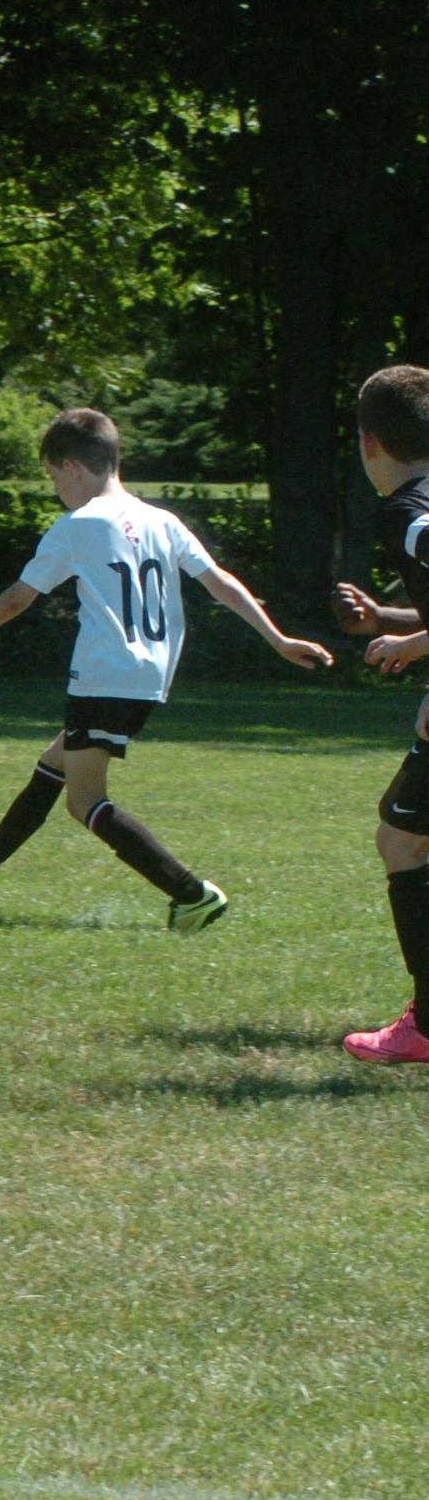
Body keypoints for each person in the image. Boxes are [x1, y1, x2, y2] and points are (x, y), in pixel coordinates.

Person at [0, 408, 331, 929]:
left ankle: (191, 894)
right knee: (55, 763)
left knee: (85, 803)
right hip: (149, 678)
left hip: (104, 673)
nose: (56, 489)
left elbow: (18, 596)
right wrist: (277, 638)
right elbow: (220, 582)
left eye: (54, 477)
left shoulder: (76, 526)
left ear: (72, 466)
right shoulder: (162, 520)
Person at [326, 366, 429, 1060]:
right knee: (406, 837)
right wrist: (391, 624)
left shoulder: (405, 512)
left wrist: (413, 647)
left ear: (368, 443)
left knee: (403, 843)